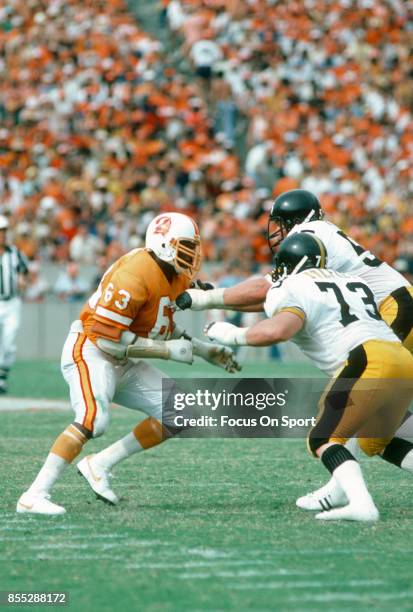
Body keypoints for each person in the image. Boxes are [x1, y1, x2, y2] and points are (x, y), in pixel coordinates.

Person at [176, 189, 413, 510]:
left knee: (361, 400)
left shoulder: (309, 235)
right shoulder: (324, 235)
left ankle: (345, 488)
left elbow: (271, 287)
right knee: (377, 421)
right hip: (396, 306)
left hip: (394, 309)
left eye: (280, 224)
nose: (277, 232)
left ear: (294, 221)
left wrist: (206, 298)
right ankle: (344, 483)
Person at [16, 213, 240, 515]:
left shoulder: (174, 273)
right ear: (163, 243)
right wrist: (167, 352)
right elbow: (107, 337)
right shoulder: (134, 273)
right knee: (94, 419)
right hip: (91, 348)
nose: (193, 254)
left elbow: (157, 324)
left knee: (180, 411)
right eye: (186, 246)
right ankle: (34, 494)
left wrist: (203, 350)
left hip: (125, 357)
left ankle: (100, 464)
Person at [0, 215, 29, 393]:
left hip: (12, 302)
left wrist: (22, 280)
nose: (2, 235)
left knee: (9, 340)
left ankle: (2, 376)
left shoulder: (15, 253)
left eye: (3, 231)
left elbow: (24, 272)